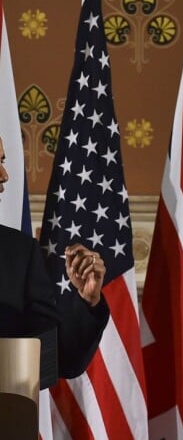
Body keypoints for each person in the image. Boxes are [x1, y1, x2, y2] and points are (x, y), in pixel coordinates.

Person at [0, 135, 109, 379]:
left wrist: (87, 301)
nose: (4, 176)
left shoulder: (19, 253)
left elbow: (59, 361)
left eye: (3, 161)